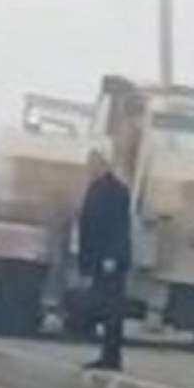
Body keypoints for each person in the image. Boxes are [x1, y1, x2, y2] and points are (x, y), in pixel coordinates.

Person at [77, 150, 133, 371]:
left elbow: (118, 227)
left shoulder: (116, 191)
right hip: (98, 257)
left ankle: (112, 357)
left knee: (112, 309)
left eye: (93, 164)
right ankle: (106, 354)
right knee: (104, 306)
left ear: (103, 165)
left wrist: (112, 256)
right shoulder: (95, 188)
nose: (89, 168)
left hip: (110, 259)